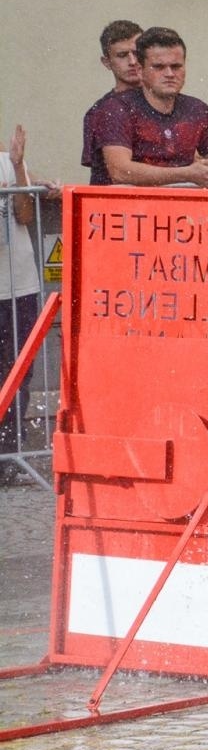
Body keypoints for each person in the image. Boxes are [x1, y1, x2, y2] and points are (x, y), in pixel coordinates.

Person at [83, 27, 208, 187]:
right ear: (140, 70)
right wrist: (187, 174)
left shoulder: (197, 109)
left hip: (181, 210)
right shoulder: (115, 108)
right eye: (159, 67)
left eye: (176, 66)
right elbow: (120, 172)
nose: (169, 74)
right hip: (124, 210)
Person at [0, 126, 41, 484]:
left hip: (19, 286)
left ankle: (10, 457)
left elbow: (25, 215)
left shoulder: (6, 163)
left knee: (17, 375)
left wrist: (17, 165)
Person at [80, 19, 143, 179]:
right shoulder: (102, 111)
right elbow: (117, 171)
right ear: (106, 62)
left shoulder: (166, 101)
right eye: (122, 55)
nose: (132, 62)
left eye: (136, 53)